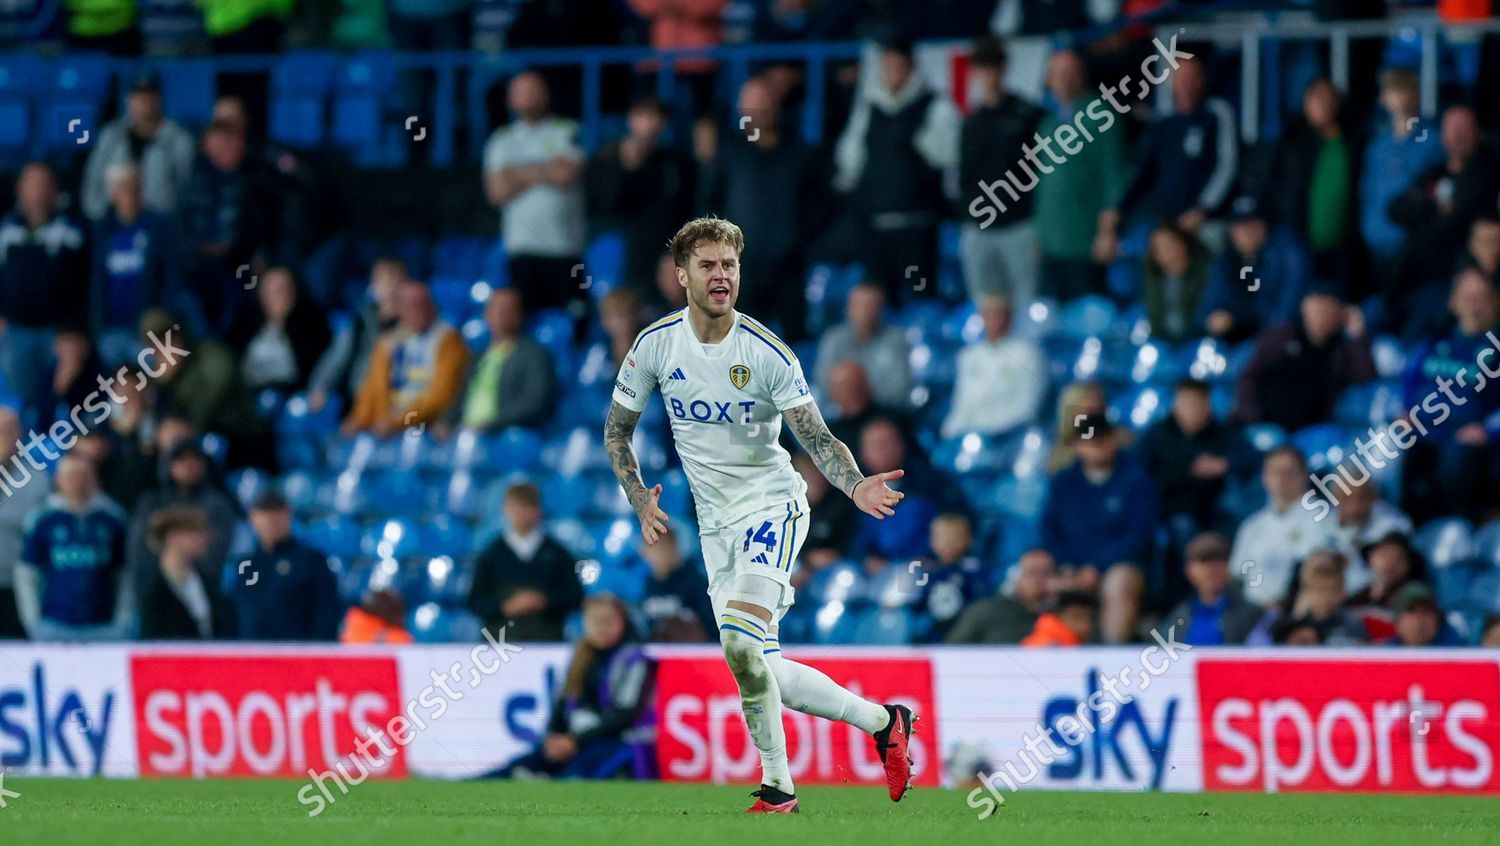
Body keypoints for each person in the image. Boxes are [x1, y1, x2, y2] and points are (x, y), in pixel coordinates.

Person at [604, 217, 915, 813]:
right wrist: (637, 495)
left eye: (730, 265)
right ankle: (885, 722)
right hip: (714, 527)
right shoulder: (655, 346)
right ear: (681, 275)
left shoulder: (767, 352)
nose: (721, 275)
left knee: (740, 647)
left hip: (772, 507)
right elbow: (617, 432)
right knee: (760, 665)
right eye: (708, 265)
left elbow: (818, 438)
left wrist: (852, 486)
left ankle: (779, 790)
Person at [697, 76, 829, 340]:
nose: (758, 111)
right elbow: (709, 204)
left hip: (791, 269)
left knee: (794, 348)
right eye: (751, 104)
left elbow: (821, 205)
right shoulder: (729, 154)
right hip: (742, 271)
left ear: (777, 105)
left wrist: (802, 242)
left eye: (764, 102)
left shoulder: (801, 153)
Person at [833, 38, 958, 302]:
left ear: (912, 68)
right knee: (878, 304)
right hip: (875, 230)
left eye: (898, 66)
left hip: (917, 230)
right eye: (886, 66)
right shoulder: (869, 109)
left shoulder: (935, 108)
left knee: (921, 302)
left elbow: (947, 160)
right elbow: (850, 162)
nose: (891, 73)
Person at [491, 594, 655, 779]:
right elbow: (562, 704)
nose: (602, 628)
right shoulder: (581, 655)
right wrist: (554, 737)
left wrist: (575, 740)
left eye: (608, 621)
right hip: (574, 741)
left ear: (622, 622)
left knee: (572, 776)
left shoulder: (633, 659)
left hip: (614, 742)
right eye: (595, 621)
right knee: (517, 767)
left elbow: (625, 714)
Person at [1098, 56, 1237, 256]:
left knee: (1212, 252)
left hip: (1208, 218)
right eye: (1180, 78)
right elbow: (1142, 172)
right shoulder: (1164, 122)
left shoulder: (1216, 113)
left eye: (1191, 77)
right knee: (1132, 253)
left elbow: (1226, 165)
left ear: (1201, 80)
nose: (1185, 84)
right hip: (1166, 219)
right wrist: (1117, 208)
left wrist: (1204, 208)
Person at [1039, 413, 1157, 643]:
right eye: (1089, 441)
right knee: (1040, 580)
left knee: (1119, 582)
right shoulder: (1064, 481)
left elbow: (1138, 534)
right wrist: (1066, 564)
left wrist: (1096, 567)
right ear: (1078, 446)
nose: (1096, 447)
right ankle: (1045, 651)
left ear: (1114, 439)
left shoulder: (1136, 479)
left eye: (1102, 440)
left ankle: (1111, 655)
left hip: (1120, 564)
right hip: (1071, 566)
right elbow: (1049, 528)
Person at [1399, 268, 1500, 522]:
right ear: (1454, 302)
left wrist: (1489, 430)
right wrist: (1405, 412)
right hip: (1424, 427)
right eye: (1467, 298)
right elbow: (1409, 381)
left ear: (1495, 302)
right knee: (1390, 448)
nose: (1474, 307)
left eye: (1482, 298)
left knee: (1457, 459)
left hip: (1468, 436)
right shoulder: (1434, 341)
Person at [483, 71, 586, 317]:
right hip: (521, 252)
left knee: (573, 320)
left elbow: (566, 174)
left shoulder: (566, 130)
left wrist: (515, 173)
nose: (528, 97)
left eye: (534, 90)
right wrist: (546, 170)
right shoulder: (501, 140)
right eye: (522, 91)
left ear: (546, 95)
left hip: (564, 249)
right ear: (510, 99)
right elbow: (497, 191)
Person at [956, 34, 1045, 305]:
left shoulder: (1027, 115)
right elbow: (965, 175)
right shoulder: (972, 122)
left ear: (1004, 70)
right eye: (982, 69)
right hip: (979, 227)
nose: (989, 76)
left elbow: (1040, 172)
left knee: (1024, 303)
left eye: (993, 67)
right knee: (984, 306)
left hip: (1019, 225)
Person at [1034, 48, 1124, 302]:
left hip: (1085, 243)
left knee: (1086, 314)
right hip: (1052, 242)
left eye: (1070, 73)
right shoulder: (1048, 122)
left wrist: (1107, 232)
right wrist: (1040, 233)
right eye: (1058, 74)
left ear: (1082, 76)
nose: (1064, 80)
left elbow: (1113, 178)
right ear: (1048, 78)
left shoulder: (1100, 115)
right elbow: (1042, 183)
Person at [1388, 106, 1500, 299]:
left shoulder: (1487, 176)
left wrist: (1425, 210)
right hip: (1411, 281)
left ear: (1477, 132)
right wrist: (1433, 205)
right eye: (1451, 129)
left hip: (1453, 282)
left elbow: (1453, 223)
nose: (1456, 136)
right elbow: (1395, 210)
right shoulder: (1435, 174)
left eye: (1463, 129)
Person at [14, 457, 131, 641]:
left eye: (83, 475)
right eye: (70, 476)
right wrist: (33, 620)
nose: (78, 482)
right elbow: (27, 574)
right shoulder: (43, 520)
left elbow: (124, 575)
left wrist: (124, 619)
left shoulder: (112, 519)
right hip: (54, 624)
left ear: (94, 478)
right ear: (58, 480)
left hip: (103, 626)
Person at [1232, 284, 1377, 431]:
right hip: (1266, 427)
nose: (1322, 316)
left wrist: (1357, 335)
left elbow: (1366, 380)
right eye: (1317, 309)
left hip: (1312, 434)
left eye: (1329, 309)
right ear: (1305, 308)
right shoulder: (1281, 337)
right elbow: (1248, 378)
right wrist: (1253, 419)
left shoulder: (1341, 351)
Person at [0, 163, 90, 397]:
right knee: (12, 361)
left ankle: (56, 426)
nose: (38, 192)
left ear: (55, 190)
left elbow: (89, 287)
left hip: (61, 332)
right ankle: (20, 426)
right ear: (20, 189)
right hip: (15, 330)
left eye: (44, 185)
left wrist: (76, 330)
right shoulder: (6, 231)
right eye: (32, 185)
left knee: (70, 380)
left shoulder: (75, 233)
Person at [586, 96, 693, 290]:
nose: (649, 123)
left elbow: (680, 211)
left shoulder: (675, 163)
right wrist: (628, 167)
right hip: (618, 257)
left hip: (661, 257)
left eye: (655, 116)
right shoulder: (606, 159)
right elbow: (604, 207)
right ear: (631, 119)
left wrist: (674, 255)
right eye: (643, 115)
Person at [343, 281, 470, 437]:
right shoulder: (387, 344)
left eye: (424, 304)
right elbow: (372, 389)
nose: (420, 311)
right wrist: (359, 420)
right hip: (388, 426)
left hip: (425, 426)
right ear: (400, 310)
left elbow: (442, 397)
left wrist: (399, 421)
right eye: (412, 305)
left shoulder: (449, 340)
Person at [1262, 78, 1358, 282]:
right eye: (1315, 97)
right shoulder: (1291, 141)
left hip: (1343, 245)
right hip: (1298, 241)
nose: (1320, 104)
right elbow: (1273, 187)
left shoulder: (1352, 142)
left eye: (1326, 97)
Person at [1360, 68, 1444, 294]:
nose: (1399, 97)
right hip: (1376, 242)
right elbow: (1368, 191)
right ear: (1383, 98)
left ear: (1416, 95)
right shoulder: (1378, 145)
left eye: (1404, 90)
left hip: (1413, 247)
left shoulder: (1432, 140)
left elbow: (1437, 189)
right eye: (1393, 90)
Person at [466, 483, 583, 642]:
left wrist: (544, 602)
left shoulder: (558, 555)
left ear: (538, 510)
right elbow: (475, 601)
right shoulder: (490, 555)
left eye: (528, 507)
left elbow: (575, 597)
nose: (522, 514)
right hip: (498, 645)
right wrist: (505, 607)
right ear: (506, 509)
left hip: (547, 643)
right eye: (517, 508)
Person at [90, 163, 182, 361]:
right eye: (122, 189)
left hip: (148, 330)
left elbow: (172, 276)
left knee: (152, 370)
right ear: (112, 195)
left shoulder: (160, 227)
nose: (129, 194)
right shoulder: (102, 231)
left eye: (133, 187)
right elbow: (95, 282)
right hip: (111, 329)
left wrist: (162, 320)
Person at [222, 490, 342, 641]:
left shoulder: (311, 560)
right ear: (253, 518)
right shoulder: (246, 563)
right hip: (252, 655)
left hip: (296, 655)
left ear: (288, 515)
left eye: (277, 513)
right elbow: (235, 612)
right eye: (265, 514)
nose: (271, 521)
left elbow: (327, 613)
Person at [126, 438, 239, 597]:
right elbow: (139, 551)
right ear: (169, 466)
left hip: (204, 592)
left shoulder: (217, 505)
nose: (188, 465)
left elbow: (218, 552)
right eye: (181, 460)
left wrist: (190, 574)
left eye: (194, 459)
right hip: (157, 591)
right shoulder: (151, 503)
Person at [1229, 447, 1339, 607]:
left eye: (1289, 472)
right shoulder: (1251, 526)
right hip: (1252, 616)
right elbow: (1236, 578)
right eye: (1275, 472)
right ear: (1264, 477)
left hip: (1299, 612)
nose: (1282, 478)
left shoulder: (1324, 518)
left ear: (1304, 475)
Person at [80, 72, 196, 222]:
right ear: (128, 99)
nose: (144, 101)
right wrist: (101, 216)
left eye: (149, 95)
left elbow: (186, 190)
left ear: (159, 98)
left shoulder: (180, 139)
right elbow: (93, 183)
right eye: (138, 95)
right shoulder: (110, 136)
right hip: (113, 223)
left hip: (161, 224)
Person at [1199, 195, 1310, 342]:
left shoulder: (1286, 255)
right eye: (1239, 227)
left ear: (1265, 226)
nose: (1246, 233)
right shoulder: (1227, 261)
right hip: (1232, 339)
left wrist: (1237, 318)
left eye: (1252, 225)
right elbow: (1207, 309)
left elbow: (1283, 316)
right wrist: (1214, 318)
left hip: (1272, 340)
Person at [941, 295, 1046, 439]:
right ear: (982, 317)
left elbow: (1028, 408)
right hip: (972, 435)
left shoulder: (1027, 354)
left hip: (1010, 436)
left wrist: (994, 433)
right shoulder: (969, 356)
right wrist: (948, 435)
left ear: (1010, 318)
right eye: (989, 315)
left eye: (999, 315)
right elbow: (962, 404)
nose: (995, 321)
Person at [308, 257, 405, 412]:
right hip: (359, 398)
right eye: (384, 280)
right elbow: (337, 356)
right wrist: (320, 387)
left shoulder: (415, 324)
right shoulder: (358, 322)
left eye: (395, 278)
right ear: (374, 284)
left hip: (400, 399)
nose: (390, 286)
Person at [1141, 378, 1233, 535]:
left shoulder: (1223, 433)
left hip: (1215, 504)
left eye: (1198, 402)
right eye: (1187, 403)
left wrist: (1224, 465)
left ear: (1208, 405)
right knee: (1183, 525)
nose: (1193, 409)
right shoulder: (1156, 435)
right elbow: (1143, 475)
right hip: (1173, 507)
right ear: (1175, 404)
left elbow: (1251, 459)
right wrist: (1190, 470)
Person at [459, 288, 557, 432]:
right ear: (486, 314)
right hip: (465, 433)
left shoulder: (534, 355)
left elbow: (533, 403)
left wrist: (490, 424)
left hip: (503, 433)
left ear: (520, 314)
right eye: (496, 308)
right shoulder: (478, 356)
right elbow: (459, 399)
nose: (501, 314)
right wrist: (447, 423)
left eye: (508, 309)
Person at [849, 417, 940, 572]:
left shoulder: (932, 483)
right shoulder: (852, 492)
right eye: (876, 445)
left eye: (889, 442)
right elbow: (854, 544)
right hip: (880, 578)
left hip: (924, 569)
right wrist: (866, 560)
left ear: (902, 444)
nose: (884, 450)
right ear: (863, 453)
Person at [226, 265, 332, 394]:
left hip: (296, 397)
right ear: (262, 295)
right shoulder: (244, 328)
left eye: (289, 289)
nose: (285, 296)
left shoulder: (312, 328)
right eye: (278, 290)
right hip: (253, 395)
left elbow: (322, 371)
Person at [814, 283, 912, 410]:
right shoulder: (832, 339)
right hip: (840, 412)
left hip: (882, 413)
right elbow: (823, 382)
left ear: (881, 309)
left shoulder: (897, 339)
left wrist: (855, 390)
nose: (864, 311)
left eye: (870, 305)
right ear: (848, 309)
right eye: (858, 305)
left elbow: (899, 390)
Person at [1157, 532, 1261, 646]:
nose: (1211, 568)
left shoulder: (1251, 615)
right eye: (1203, 560)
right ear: (1189, 571)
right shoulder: (1179, 616)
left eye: (1219, 559)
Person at [1246, 550, 1366, 646]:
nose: (1327, 597)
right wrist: (1297, 620)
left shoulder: (1349, 623)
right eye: (1320, 589)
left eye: (1333, 590)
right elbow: (1257, 654)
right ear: (1305, 590)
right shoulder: (1276, 618)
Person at [0, 408, 50, 638]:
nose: (4, 437)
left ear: (19, 435)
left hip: (19, 587)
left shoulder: (37, 480)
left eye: (9, 431)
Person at [138, 506, 220, 640]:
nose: (206, 538)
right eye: (196, 532)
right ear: (174, 537)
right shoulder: (152, 590)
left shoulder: (207, 583)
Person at [945, 548, 1057, 644]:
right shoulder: (987, 612)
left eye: (1046, 573)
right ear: (1017, 577)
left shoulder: (1065, 614)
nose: (1038, 580)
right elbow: (951, 650)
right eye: (1032, 573)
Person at [907, 513, 987, 642]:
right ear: (932, 541)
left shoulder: (974, 570)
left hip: (965, 635)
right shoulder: (925, 570)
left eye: (953, 537)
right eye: (941, 537)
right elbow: (917, 605)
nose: (947, 542)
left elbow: (980, 604)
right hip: (932, 635)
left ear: (969, 540)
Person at [1332, 481, 1413, 592]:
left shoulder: (1392, 523)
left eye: (1362, 498)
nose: (1355, 507)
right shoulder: (1322, 526)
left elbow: (1398, 566)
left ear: (1374, 497)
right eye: (1346, 499)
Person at [639, 526, 714, 642]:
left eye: (665, 547)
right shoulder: (644, 586)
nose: (661, 553)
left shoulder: (694, 581)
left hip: (690, 650)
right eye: (655, 547)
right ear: (643, 552)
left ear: (675, 548)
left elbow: (709, 624)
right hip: (657, 651)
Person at [1143, 222, 1210, 344]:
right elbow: (1154, 318)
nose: (1167, 251)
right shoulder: (1155, 279)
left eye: (1170, 244)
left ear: (1183, 244)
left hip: (1198, 340)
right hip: (1165, 342)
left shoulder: (1206, 272)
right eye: (1159, 248)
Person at [1382, 582, 1461, 647]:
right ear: (1398, 622)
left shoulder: (1455, 653)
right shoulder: (1383, 657)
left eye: (1426, 611)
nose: (1420, 619)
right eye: (1411, 610)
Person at [1020, 590, 1096, 647]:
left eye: (1089, 618)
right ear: (1058, 617)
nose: (1086, 625)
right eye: (1077, 617)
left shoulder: (1078, 645)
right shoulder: (1044, 647)